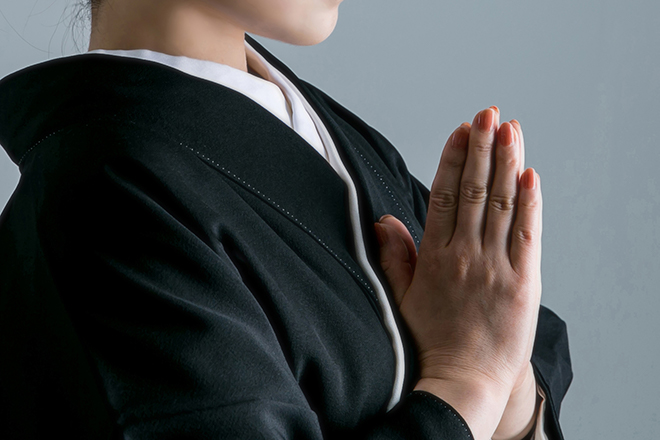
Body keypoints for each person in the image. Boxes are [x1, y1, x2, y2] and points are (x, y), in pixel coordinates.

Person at [0, 0, 572, 439]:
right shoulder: (103, 197)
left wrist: (510, 386)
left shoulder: (315, 125)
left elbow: (509, 332)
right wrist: (467, 385)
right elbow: (481, 352)